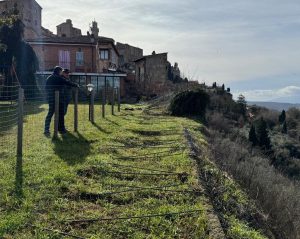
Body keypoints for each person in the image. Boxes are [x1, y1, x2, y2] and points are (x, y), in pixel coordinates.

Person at [44, 66, 78, 137]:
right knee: (61, 114)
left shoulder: (49, 78)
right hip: (59, 98)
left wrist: (49, 96)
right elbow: (67, 82)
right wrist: (76, 85)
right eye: (61, 71)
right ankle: (61, 129)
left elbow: (46, 88)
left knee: (50, 113)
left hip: (51, 98)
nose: (62, 72)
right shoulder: (59, 77)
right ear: (59, 71)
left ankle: (46, 129)